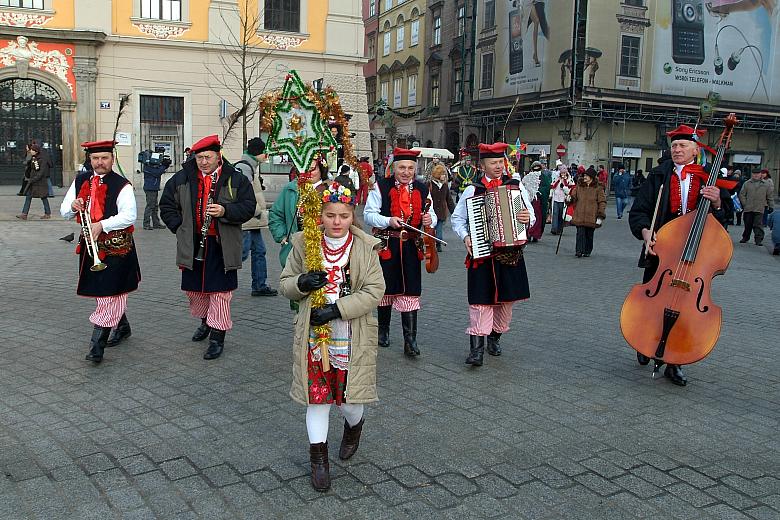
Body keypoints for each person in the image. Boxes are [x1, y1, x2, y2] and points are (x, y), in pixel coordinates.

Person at [279, 180, 385, 492]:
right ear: (320, 216)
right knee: (318, 400)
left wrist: (336, 310)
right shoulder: (304, 243)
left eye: (343, 215)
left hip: (351, 334)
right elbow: (284, 283)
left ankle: (354, 427)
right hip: (313, 338)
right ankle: (319, 461)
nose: (336, 222)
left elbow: (374, 291)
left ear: (353, 216)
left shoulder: (366, 247)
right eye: (330, 215)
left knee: (350, 402)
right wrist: (301, 282)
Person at [629, 124, 726, 386]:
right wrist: (646, 232)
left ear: (696, 149)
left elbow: (722, 222)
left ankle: (675, 362)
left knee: (684, 309)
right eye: (674, 146)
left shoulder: (709, 179)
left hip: (695, 258)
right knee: (652, 304)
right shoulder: (659, 176)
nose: (677, 149)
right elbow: (638, 212)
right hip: (662, 254)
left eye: (683, 145)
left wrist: (717, 202)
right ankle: (645, 340)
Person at [159, 135, 255, 360]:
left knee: (221, 293)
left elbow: (249, 207)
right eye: (199, 157)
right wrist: (179, 228)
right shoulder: (182, 177)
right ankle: (206, 322)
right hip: (193, 244)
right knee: (196, 292)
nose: (203, 162)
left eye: (207, 157)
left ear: (218, 156)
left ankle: (217, 337)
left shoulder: (235, 178)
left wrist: (225, 211)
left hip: (222, 245)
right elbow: (166, 206)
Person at [451, 142, 534, 366]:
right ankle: (476, 350)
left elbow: (531, 215)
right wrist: (466, 237)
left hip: (510, 254)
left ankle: (495, 338)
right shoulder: (473, 189)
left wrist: (527, 218)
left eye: (500, 162)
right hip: (483, 254)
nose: (498, 166)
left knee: (506, 302)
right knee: (480, 301)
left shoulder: (515, 186)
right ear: (483, 165)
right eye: (493, 163)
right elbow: (457, 219)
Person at [60, 140, 141, 363]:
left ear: (112, 159)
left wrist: (102, 225)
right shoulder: (81, 180)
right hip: (90, 247)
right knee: (104, 291)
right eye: (95, 158)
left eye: (104, 158)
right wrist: (73, 206)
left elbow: (129, 216)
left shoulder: (122, 184)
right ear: (90, 160)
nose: (100, 162)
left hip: (117, 247)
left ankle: (97, 347)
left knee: (108, 294)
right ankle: (122, 326)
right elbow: (64, 211)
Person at [364, 147, 437, 357]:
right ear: (393, 168)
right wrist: (388, 221)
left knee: (411, 291)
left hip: (411, 248)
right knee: (386, 290)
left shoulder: (423, 189)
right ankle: (383, 331)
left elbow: (430, 213)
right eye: (402, 167)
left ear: (415, 169)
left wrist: (428, 219)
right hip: (388, 245)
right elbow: (369, 215)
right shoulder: (381, 186)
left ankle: (410, 341)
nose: (406, 172)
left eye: (410, 168)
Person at [234, 137, 277, 297]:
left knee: (259, 251)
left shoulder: (249, 166)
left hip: (253, 220)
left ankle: (259, 285)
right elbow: (243, 195)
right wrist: (257, 211)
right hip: (248, 218)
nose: (266, 156)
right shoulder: (244, 168)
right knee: (241, 254)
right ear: (258, 153)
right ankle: (218, 278)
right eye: (264, 152)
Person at [570, 167, 606, 257]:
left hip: (591, 215)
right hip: (580, 214)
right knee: (580, 234)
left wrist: (600, 215)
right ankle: (579, 250)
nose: (584, 177)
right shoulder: (579, 186)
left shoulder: (598, 188)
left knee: (589, 235)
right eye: (584, 175)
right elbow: (573, 196)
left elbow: (602, 202)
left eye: (586, 176)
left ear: (592, 177)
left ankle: (587, 250)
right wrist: (570, 198)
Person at [17, 143, 53, 220]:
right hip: (33, 181)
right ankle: (24, 214)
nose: (31, 151)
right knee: (28, 197)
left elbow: (41, 171)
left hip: (40, 182)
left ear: (36, 151)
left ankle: (47, 213)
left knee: (43, 197)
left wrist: (35, 178)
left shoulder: (42, 159)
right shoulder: (34, 158)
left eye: (33, 150)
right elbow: (31, 167)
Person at [738, 169, 774, 246]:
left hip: (760, 207)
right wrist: (745, 204)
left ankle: (758, 240)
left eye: (757, 174)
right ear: (752, 174)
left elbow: (770, 196)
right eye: (754, 174)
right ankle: (745, 237)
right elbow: (742, 194)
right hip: (748, 208)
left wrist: (771, 206)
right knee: (748, 224)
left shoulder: (766, 184)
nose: (756, 175)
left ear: (761, 174)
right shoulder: (747, 183)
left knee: (758, 224)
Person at [141, 147, 170, 230]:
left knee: (155, 206)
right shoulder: (148, 167)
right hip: (150, 188)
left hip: (153, 187)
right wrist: (164, 166)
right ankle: (146, 224)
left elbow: (158, 171)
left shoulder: (151, 166)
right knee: (150, 206)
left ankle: (156, 223)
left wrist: (164, 165)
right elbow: (157, 173)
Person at [429, 162, 455, 251]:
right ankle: (431, 244)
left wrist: (454, 212)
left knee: (439, 232)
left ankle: (438, 244)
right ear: (437, 175)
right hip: (431, 213)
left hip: (441, 212)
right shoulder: (429, 185)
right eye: (443, 174)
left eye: (445, 174)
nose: (444, 176)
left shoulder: (444, 186)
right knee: (431, 231)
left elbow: (449, 200)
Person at [550, 164, 574, 235]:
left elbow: (570, 190)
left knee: (561, 214)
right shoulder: (557, 178)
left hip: (563, 200)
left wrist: (564, 187)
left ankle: (559, 229)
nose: (563, 174)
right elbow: (553, 186)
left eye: (564, 172)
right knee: (555, 213)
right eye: (561, 172)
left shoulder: (570, 179)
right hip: (556, 198)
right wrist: (550, 194)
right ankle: (554, 228)